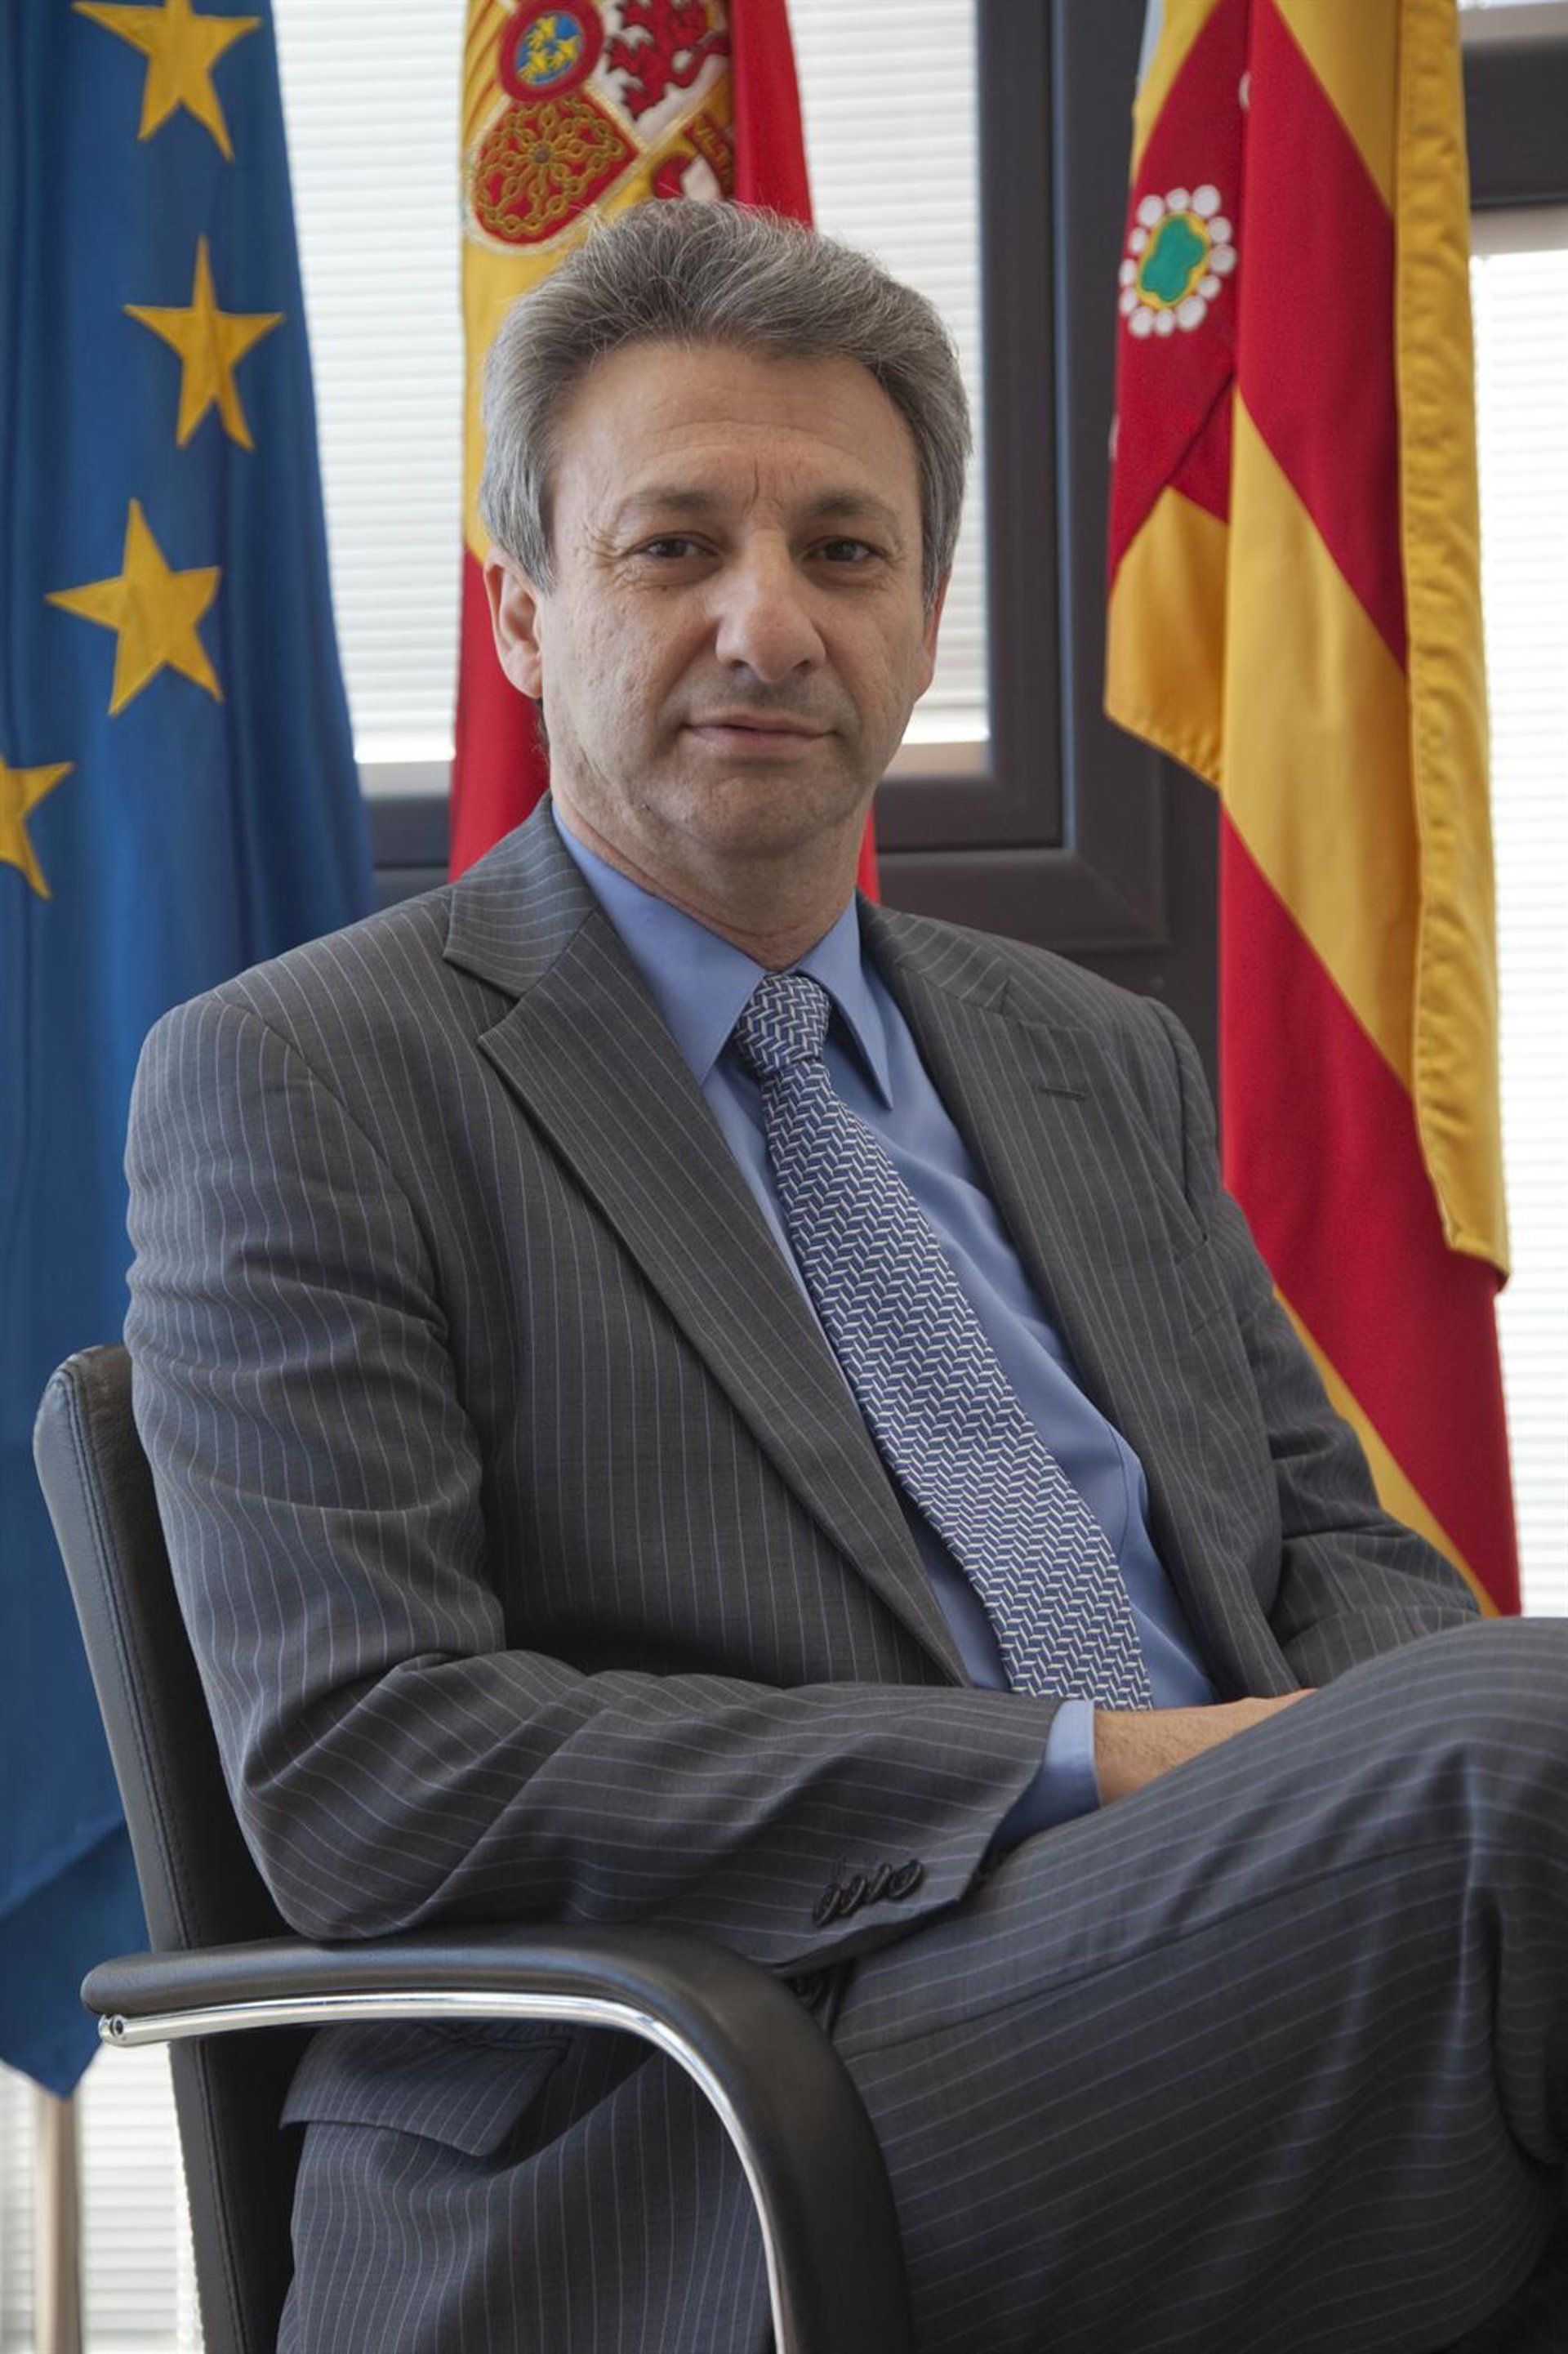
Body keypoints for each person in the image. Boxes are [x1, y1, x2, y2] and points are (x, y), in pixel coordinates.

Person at [123, 199, 1566, 2354]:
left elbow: (1332, 1550)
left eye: (845, 551)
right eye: (674, 547)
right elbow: (371, 1765)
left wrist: (1326, 1774)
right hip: (719, 2111)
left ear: (926, 615)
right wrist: (1096, 1761)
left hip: (1215, 1996)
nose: (770, 624)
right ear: (520, 612)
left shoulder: (1094, 1059)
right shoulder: (307, 1075)